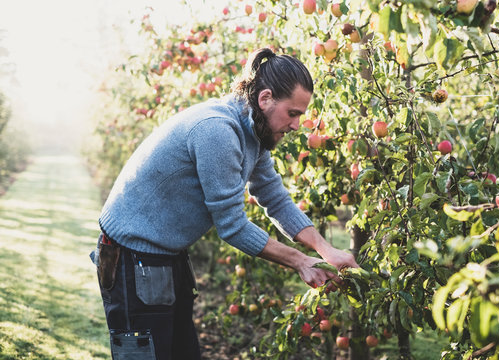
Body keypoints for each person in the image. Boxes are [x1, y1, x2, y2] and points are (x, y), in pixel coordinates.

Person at [91, 47, 359, 360]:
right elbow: (232, 227)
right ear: (265, 99)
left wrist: (326, 251)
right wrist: (300, 261)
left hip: (165, 256)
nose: (297, 125)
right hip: (132, 259)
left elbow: (274, 199)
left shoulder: (253, 133)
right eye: (293, 113)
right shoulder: (217, 130)